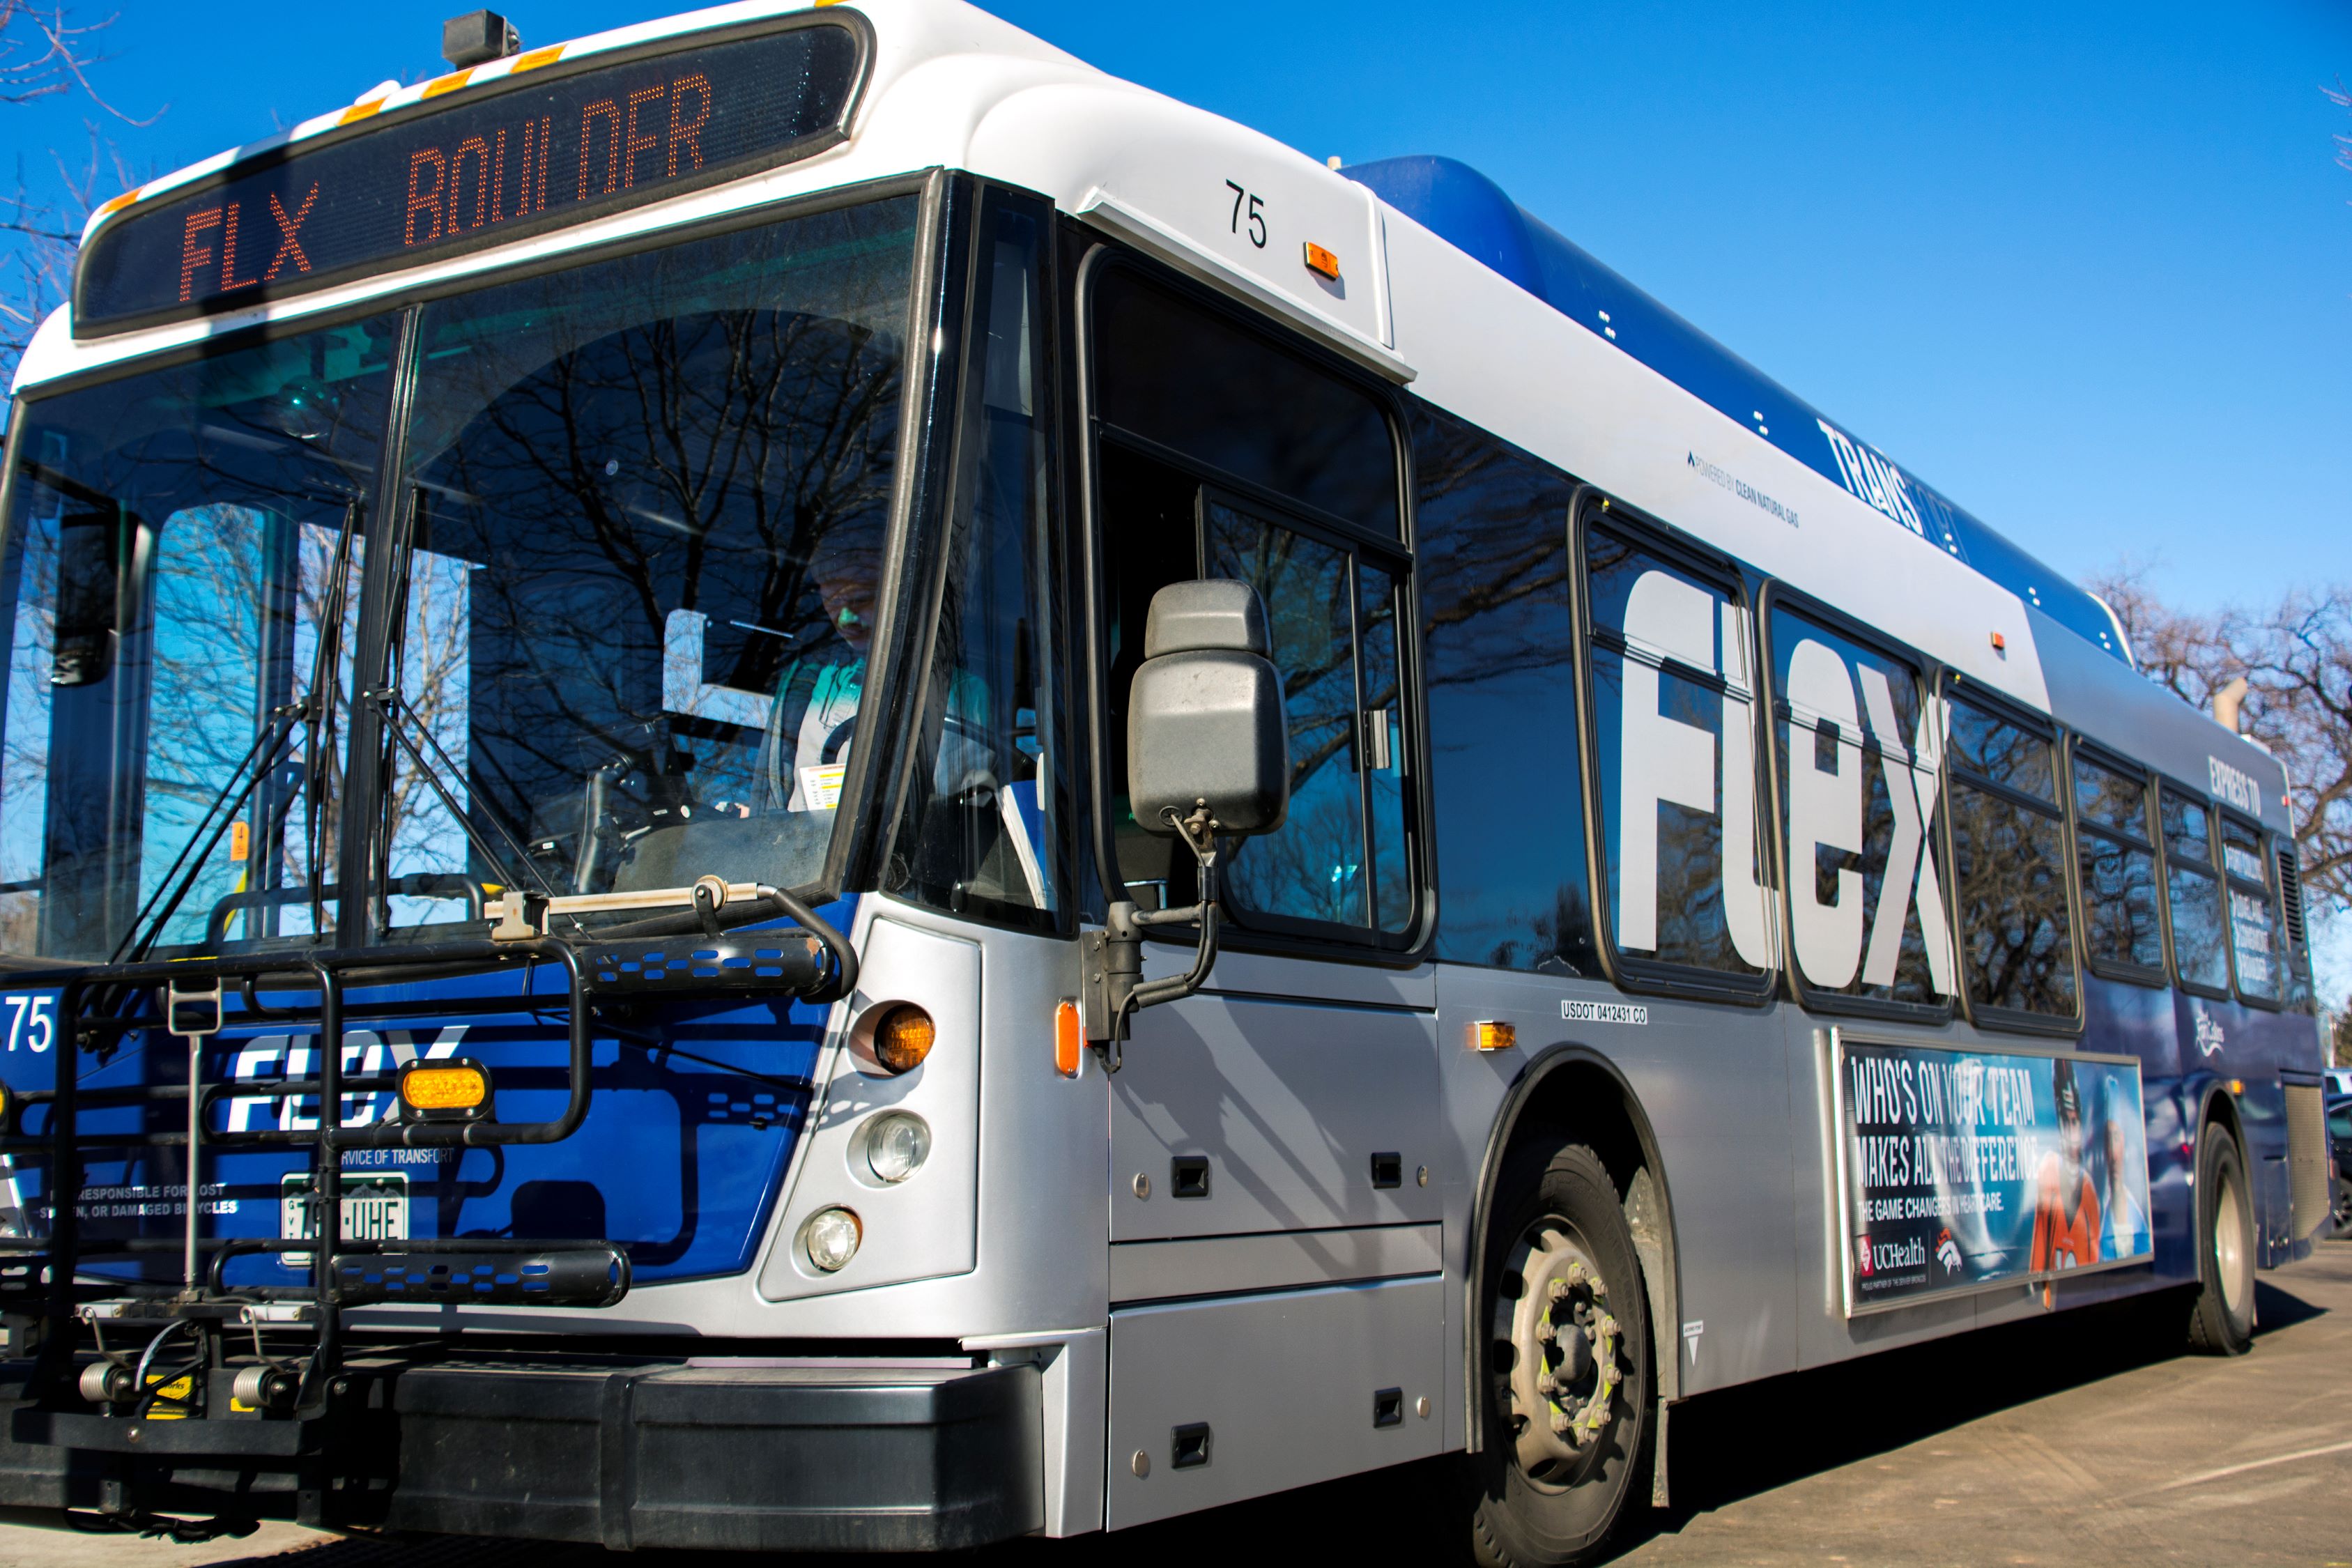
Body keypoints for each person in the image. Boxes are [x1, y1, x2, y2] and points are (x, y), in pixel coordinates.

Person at [2029, 1057, 2102, 1305]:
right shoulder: (2048, 1172)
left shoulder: (2089, 1190)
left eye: (2076, 1121)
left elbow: (2093, 1265)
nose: (2072, 1133)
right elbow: (2038, 1261)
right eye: (2065, 1121)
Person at [2098, 1076, 2151, 1261]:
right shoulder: (2098, 1218)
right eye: (2106, 1140)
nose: (2112, 1154)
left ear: (2123, 1140)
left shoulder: (2140, 1213)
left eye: (2114, 1138)